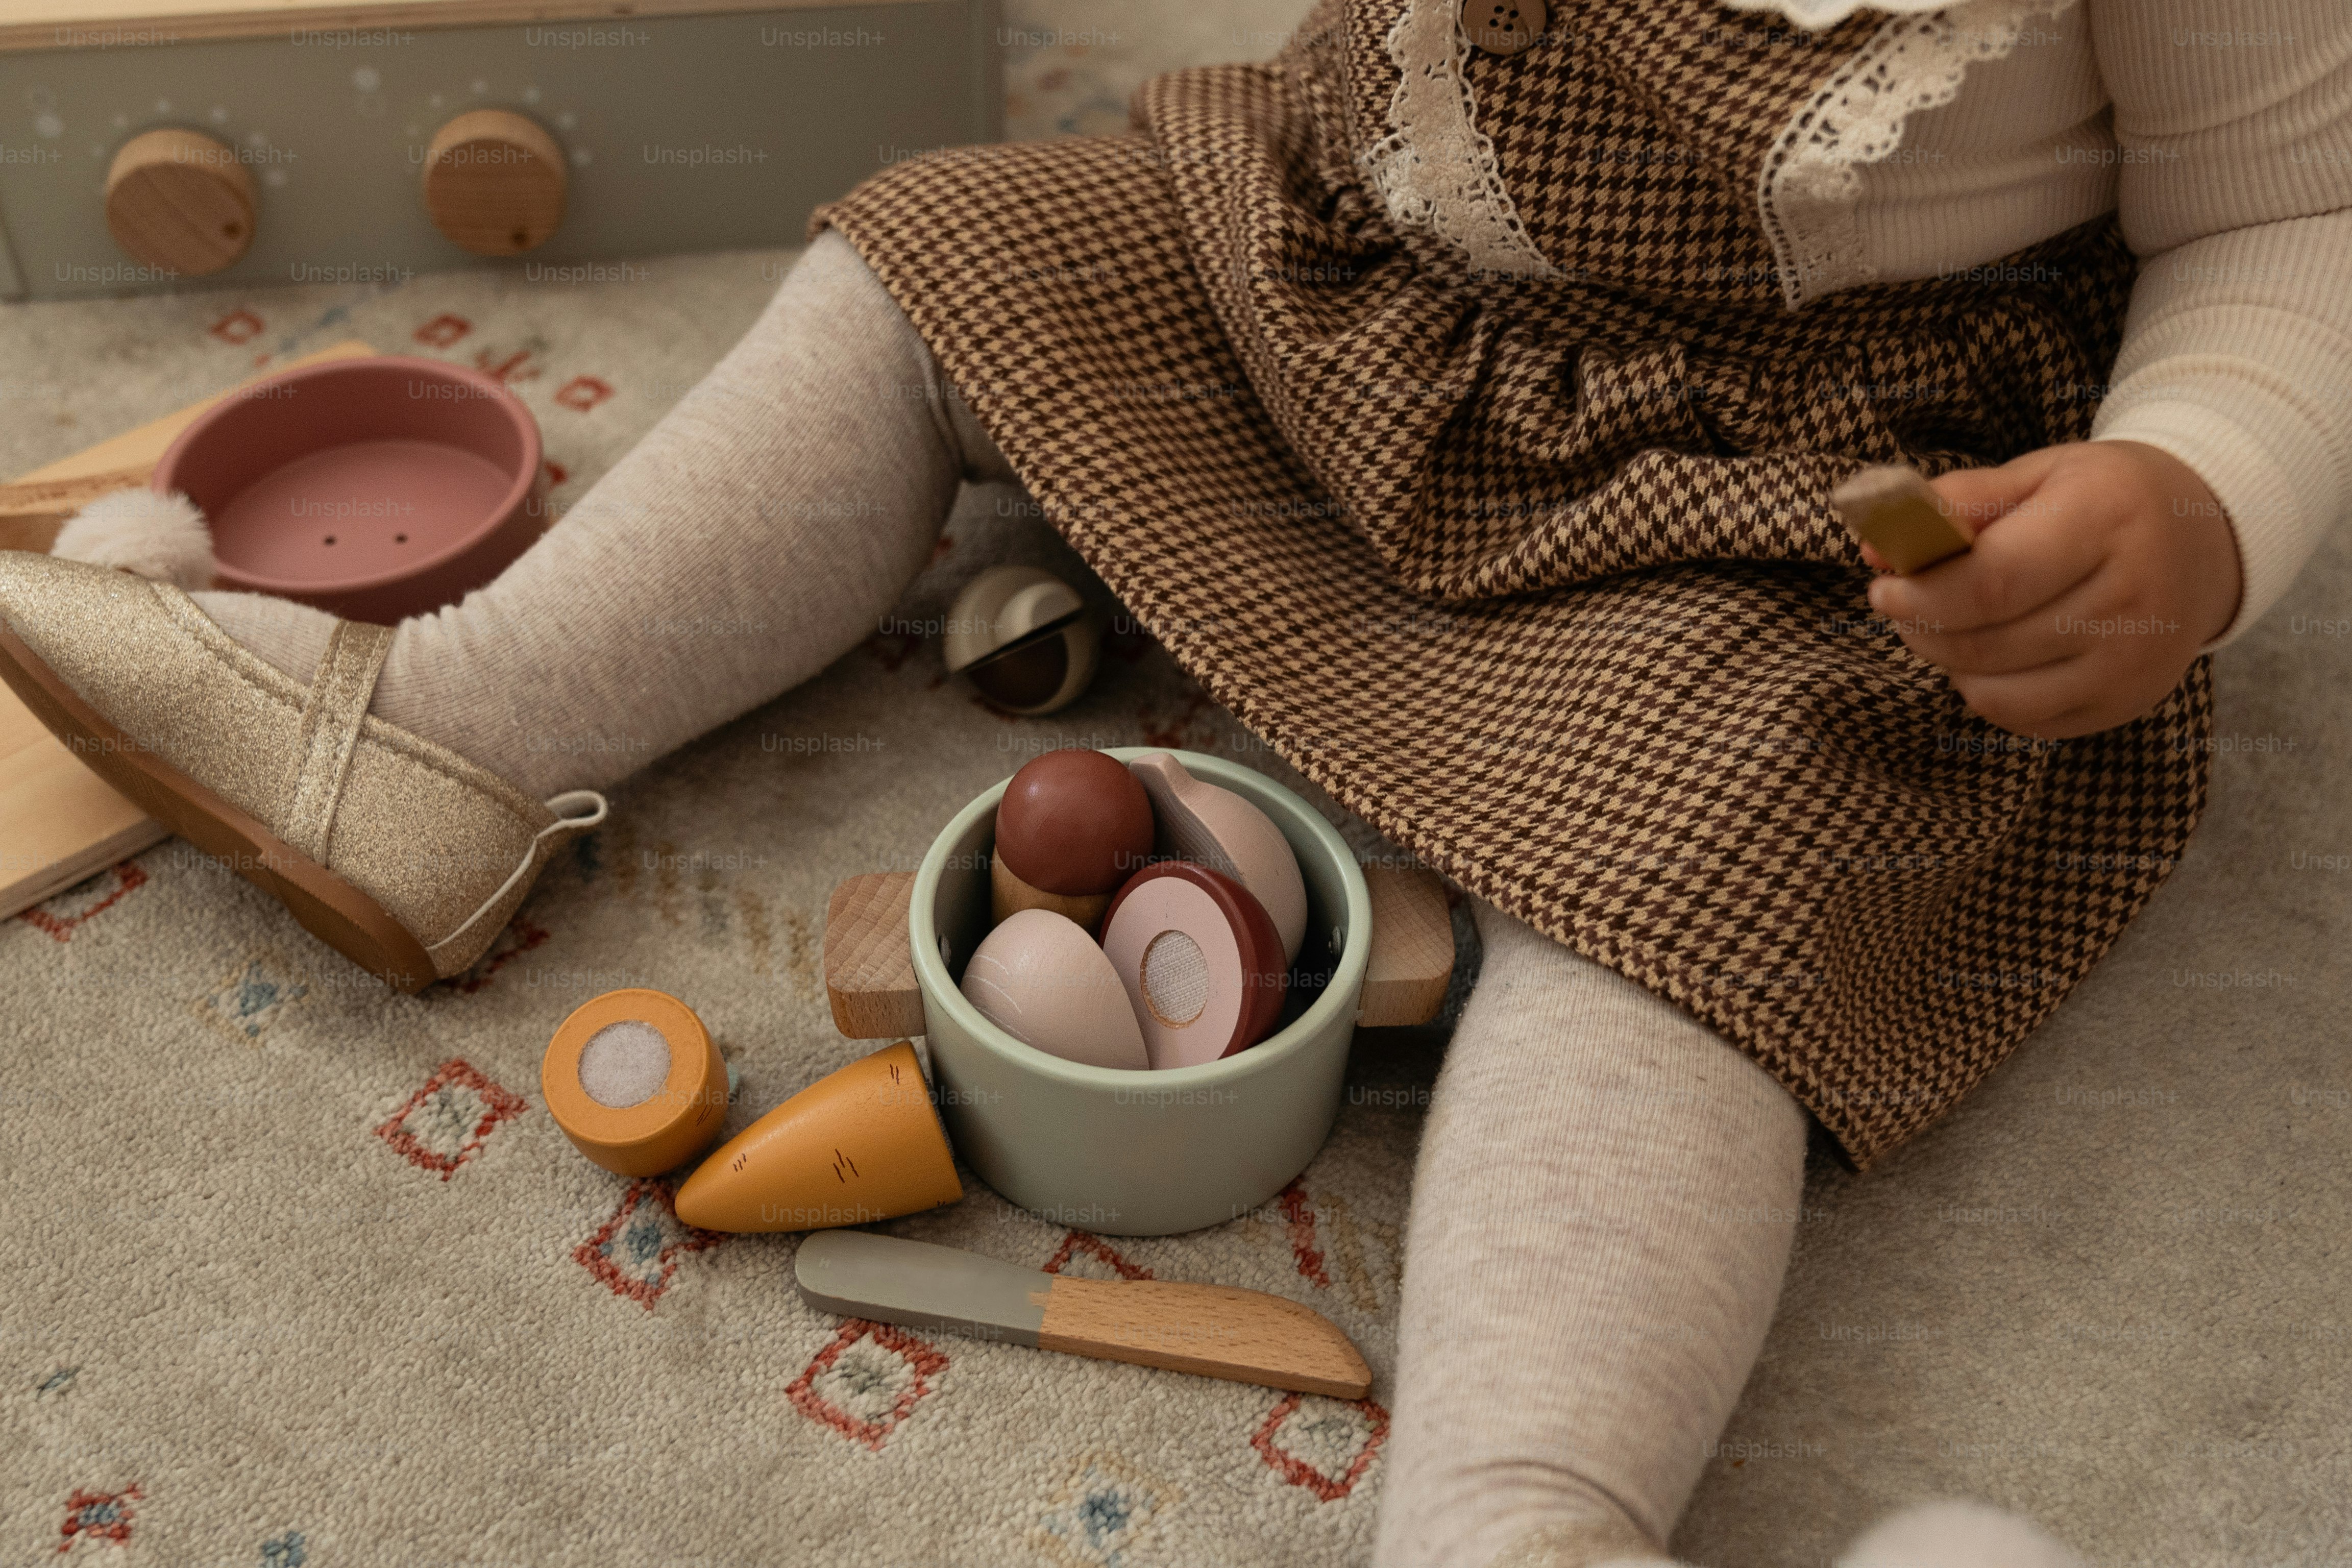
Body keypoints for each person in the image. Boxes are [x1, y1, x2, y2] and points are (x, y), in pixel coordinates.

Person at [3, 2, 2344, 1562]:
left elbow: (2289, 221)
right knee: (953, 264)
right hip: (1353, 279)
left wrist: (2197, 494)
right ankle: (455, 738)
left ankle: (1522, 1505)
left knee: (1703, 884)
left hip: (1784, 491)